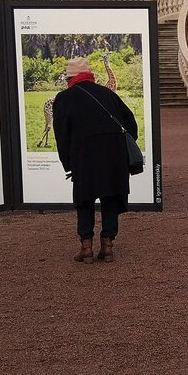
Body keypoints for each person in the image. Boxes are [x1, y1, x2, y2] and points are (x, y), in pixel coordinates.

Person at [53, 57, 138, 264]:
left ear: (70, 78)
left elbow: (61, 135)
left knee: (85, 200)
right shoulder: (108, 94)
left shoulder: (64, 98)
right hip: (113, 153)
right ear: (90, 76)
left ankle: (87, 247)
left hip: (84, 154)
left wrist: (68, 163)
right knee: (110, 197)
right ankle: (108, 245)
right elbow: (130, 123)